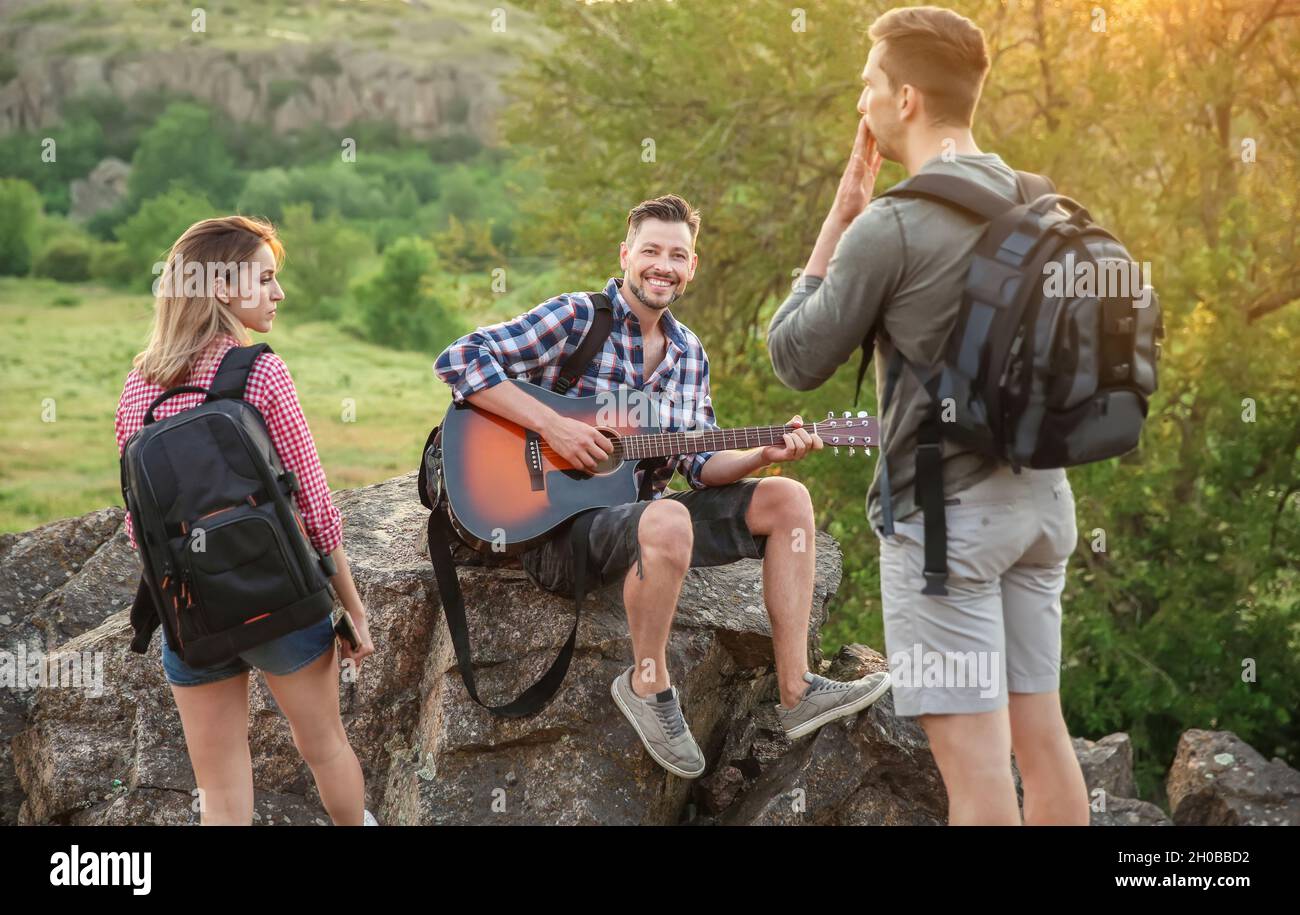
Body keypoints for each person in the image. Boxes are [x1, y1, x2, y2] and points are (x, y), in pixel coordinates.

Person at [434, 194, 891, 779]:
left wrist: (764, 453)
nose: (663, 266)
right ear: (625, 255)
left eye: (677, 255)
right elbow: (460, 358)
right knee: (667, 518)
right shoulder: (578, 318)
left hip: (635, 522)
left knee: (788, 499)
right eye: (651, 250)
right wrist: (553, 428)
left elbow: (699, 464)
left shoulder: (688, 353)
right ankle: (648, 685)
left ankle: (797, 691)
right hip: (552, 529)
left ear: (691, 267)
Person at [767, 6, 1089, 825]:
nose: (862, 102)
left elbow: (794, 357)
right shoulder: (1045, 203)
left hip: (945, 530)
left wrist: (841, 216)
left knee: (976, 776)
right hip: (1042, 503)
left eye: (869, 84)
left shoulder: (893, 224)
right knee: (1042, 741)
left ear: (906, 98)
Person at [114, 215, 377, 825]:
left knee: (218, 785)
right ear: (221, 287)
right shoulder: (259, 371)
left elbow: (138, 530)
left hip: (192, 615)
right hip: (280, 603)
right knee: (324, 748)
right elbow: (314, 507)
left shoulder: (138, 387)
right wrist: (353, 609)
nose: (278, 293)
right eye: (264, 279)